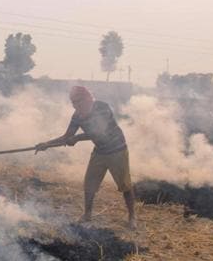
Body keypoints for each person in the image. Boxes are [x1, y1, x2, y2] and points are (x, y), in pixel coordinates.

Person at [35, 86, 137, 229]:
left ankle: (132, 217)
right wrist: (47, 144)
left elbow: (100, 132)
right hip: (100, 151)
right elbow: (67, 136)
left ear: (88, 98)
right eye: (73, 102)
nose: (76, 105)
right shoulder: (77, 116)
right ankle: (87, 214)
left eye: (78, 101)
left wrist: (77, 138)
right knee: (89, 185)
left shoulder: (101, 107)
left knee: (125, 185)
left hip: (117, 150)